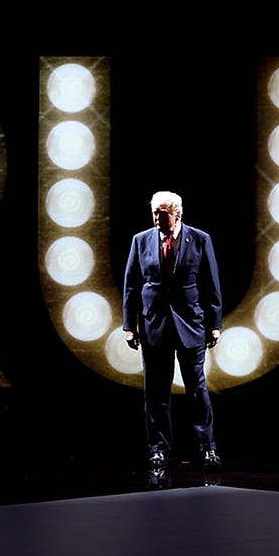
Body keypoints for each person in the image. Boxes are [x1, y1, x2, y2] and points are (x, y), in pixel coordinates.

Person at [122, 190, 223, 469]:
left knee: (197, 388)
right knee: (155, 391)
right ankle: (159, 449)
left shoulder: (200, 239)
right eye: (154, 212)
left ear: (177, 214)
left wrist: (215, 324)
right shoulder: (140, 241)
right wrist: (130, 326)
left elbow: (210, 283)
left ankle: (207, 448)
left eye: (162, 213)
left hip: (190, 323)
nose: (156, 217)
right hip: (155, 324)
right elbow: (131, 286)